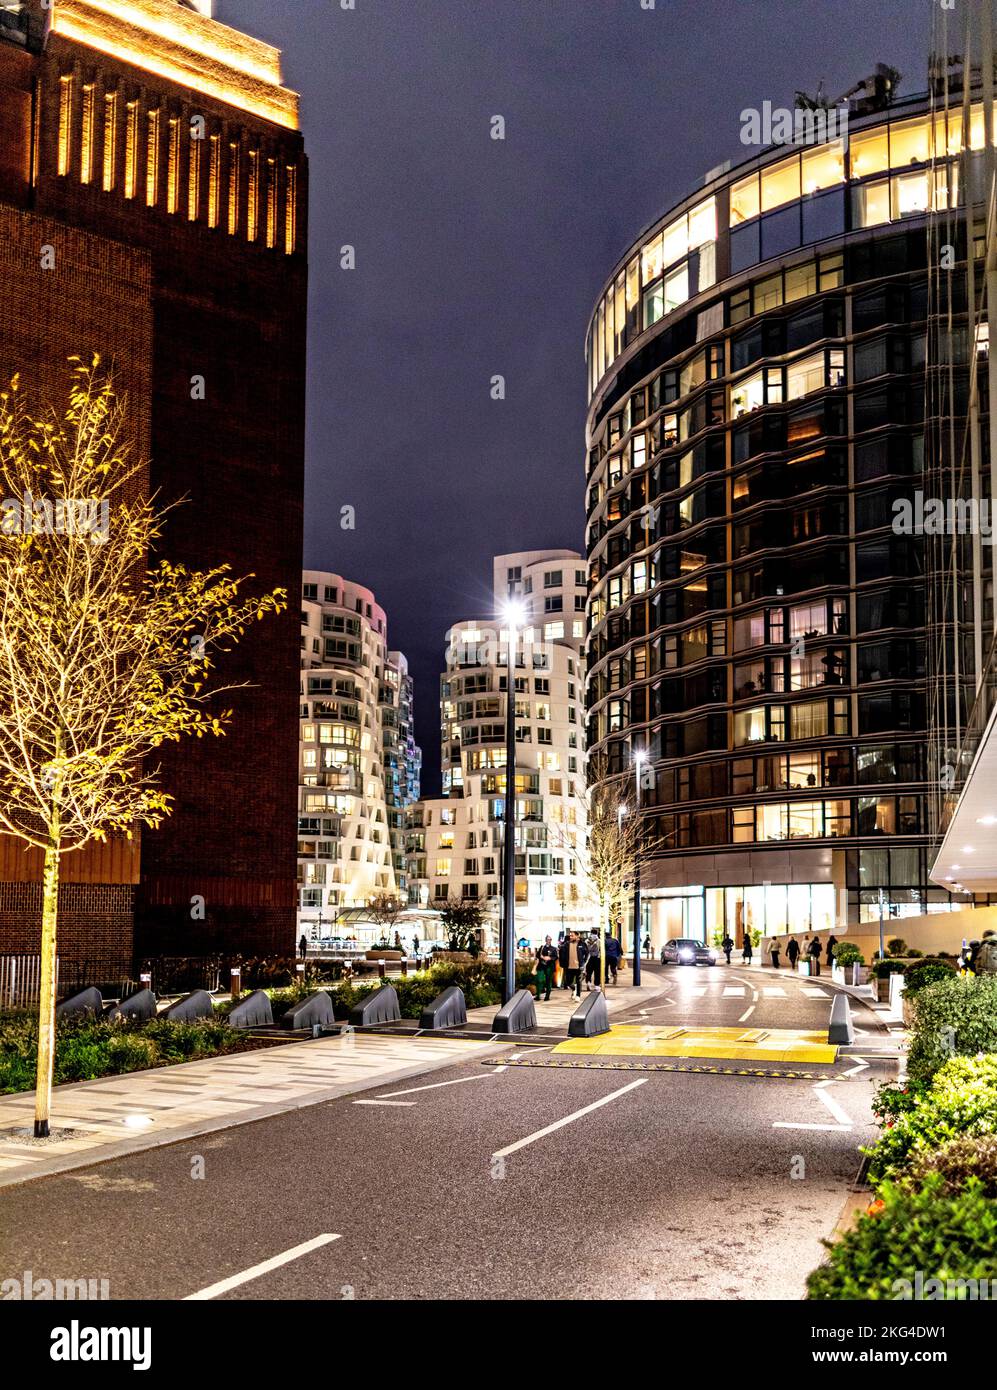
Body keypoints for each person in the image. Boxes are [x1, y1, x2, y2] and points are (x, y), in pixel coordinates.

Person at [559, 931, 588, 998]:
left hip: (578, 966)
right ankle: (573, 988)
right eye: (570, 936)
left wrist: (584, 963)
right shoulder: (566, 944)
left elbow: (587, 954)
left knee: (578, 981)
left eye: (572, 935)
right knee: (568, 982)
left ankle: (578, 996)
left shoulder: (582, 944)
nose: (570, 937)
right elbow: (562, 954)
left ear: (577, 936)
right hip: (569, 966)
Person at [535, 935, 558, 1002]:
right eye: (547, 939)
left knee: (548, 981)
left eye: (550, 939)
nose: (548, 940)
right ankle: (538, 995)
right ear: (545, 940)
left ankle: (547, 996)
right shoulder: (542, 947)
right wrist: (542, 957)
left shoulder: (554, 948)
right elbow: (537, 955)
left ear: (551, 940)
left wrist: (550, 958)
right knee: (539, 980)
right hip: (541, 966)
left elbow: (556, 957)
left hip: (549, 966)